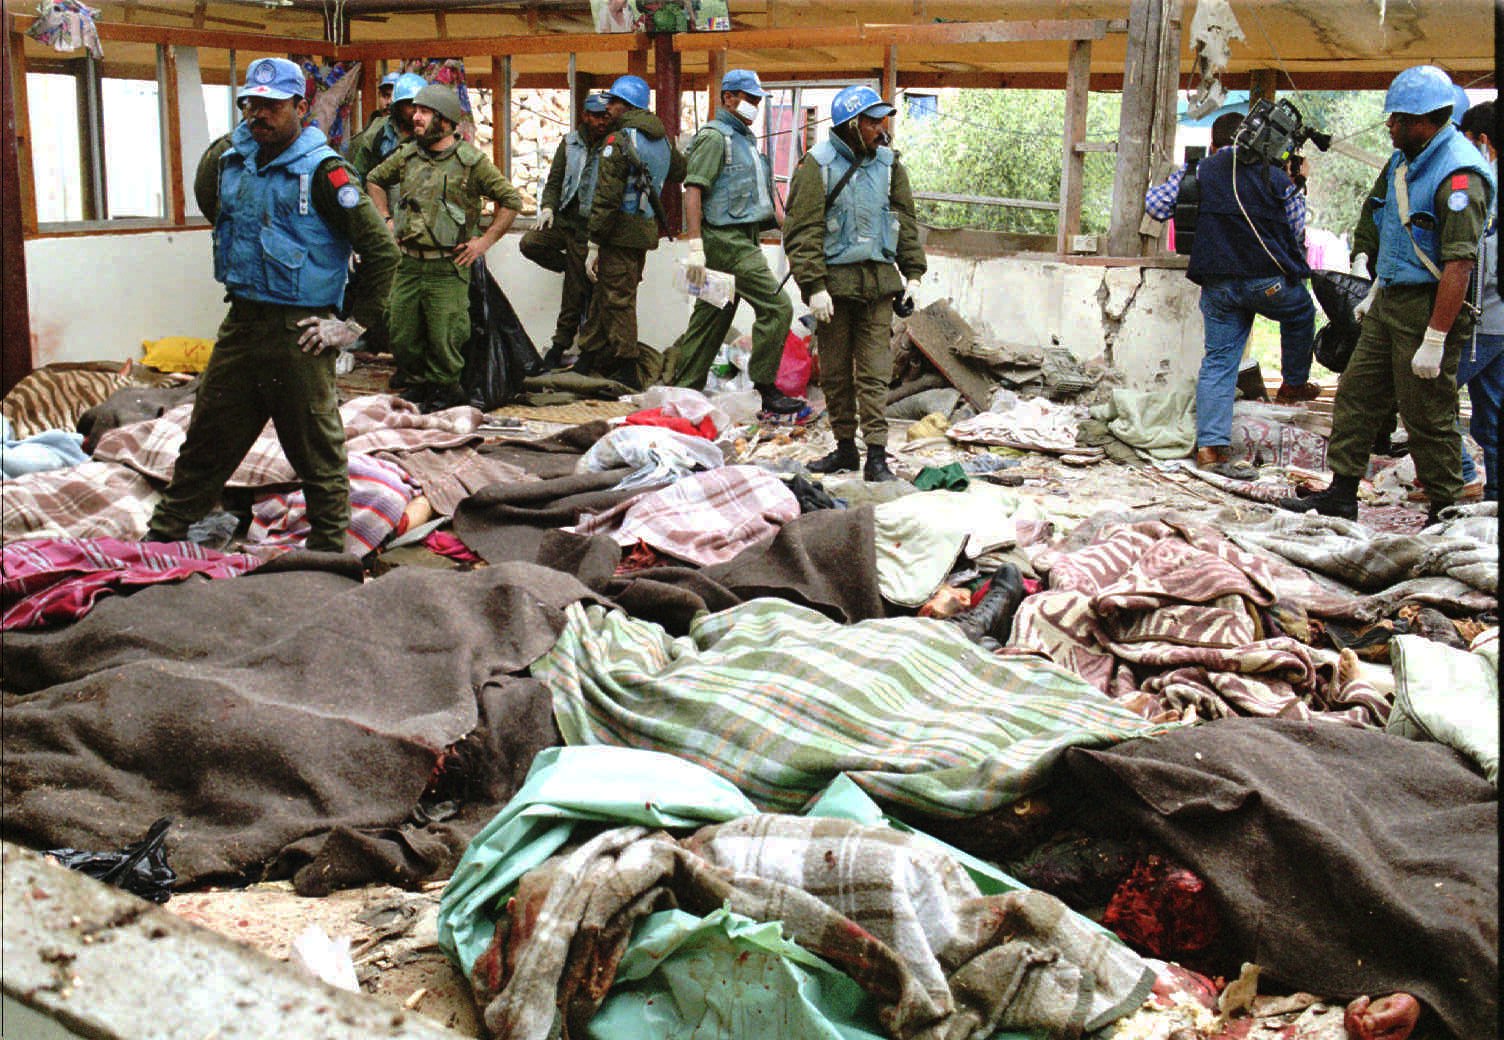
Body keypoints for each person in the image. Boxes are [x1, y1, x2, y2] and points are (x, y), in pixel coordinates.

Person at [145, 58, 398, 554]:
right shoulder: (231, 161)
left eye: (272, 105)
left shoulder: (326, 173)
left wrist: (351, 326)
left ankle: (328, 550)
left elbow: (383, 253)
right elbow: (214, 207)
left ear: (301, 107)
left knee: (314, 449)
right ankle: (162, 538)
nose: (258, 114)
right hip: (241, 323)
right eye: (250, 104)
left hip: (299, 332)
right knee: (205, 439)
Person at [1279, 66, 1495, 524]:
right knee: (1356, 394)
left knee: (1426, 413)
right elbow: (1382, 214)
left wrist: (1435, 338)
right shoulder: (1405, 160)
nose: (1389, 125)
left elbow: (1459, 263)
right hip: (1390, 299)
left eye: (1397, 118)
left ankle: (1445, 506)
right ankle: (1341, 492)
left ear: (1426, 120)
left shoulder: (1459, 176)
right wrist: (1367, 269)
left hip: (1431, 305)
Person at [1143, 109, 1318, 479]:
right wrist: (1295, 182)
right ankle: (1292, 383)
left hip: (1218, 286)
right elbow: (1298, 224)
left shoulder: (1204, 171)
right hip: (1265, 284)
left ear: (1213, 144)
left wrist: (1191, 183)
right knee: (1301, 309)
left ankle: (1210, 448)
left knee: (1219, 363)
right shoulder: (1274, 177)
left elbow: (1155, 206)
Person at [783, 84, 926, 482]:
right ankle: (845, 448)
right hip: (834, 286)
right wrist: (812, 286)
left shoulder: (890, 165)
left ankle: (877, 454)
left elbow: (903, 221)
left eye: (884, 120)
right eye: (872, 121)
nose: (882, 128)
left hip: (878, 284)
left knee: (875, 371)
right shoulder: (817, 165)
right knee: (834, 372)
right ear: (851, 125)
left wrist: (913, 272)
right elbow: (801, 231)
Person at [365, 84, 524, 412]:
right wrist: (387, 220)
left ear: (447, 122)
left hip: (447, 267)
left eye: (425, 112)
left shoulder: (470, 162)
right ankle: (421, 385)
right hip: (408, 263)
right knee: (401, 332)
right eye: (416, 111)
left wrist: (484, 242)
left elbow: (510, 200)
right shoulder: (408, 155)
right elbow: (374, 180)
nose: (416, 117)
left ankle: (446, 391)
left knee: (445, 335)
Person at [667, 68, 805, 416]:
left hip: (743, 237)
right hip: (726, 241)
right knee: (777, 307)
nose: (755, 106)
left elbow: (754, 197)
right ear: (728, 98)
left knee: (712, 316)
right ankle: (764, 387)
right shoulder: (716, 138)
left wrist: (788, 225)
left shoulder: (744, 139)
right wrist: (696, 245)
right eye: (749, 98)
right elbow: (693, 189)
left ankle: (684, 392)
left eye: (758, 100)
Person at [577, 74, 687, 390]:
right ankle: (587, 357)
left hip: (617, 233)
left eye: (613, 101)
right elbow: (680, 170)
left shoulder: (619, 141)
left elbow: (607, 196)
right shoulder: (660, 139)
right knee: (604, 296)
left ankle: (626, 368)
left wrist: (594, 242)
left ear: (627, 105)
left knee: (617, 299)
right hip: (641, 231)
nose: (607, 107)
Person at [519, 92, 612, 370]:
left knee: (574, 293)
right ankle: (572, 268)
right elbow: (555, 181)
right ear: (585, 115)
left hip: (589, 226)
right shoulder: (570, 143)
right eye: (596, 116)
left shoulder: (613, 144)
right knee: (530, 242)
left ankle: (560, 345)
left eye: (605, 116)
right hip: (565, 219)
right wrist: (547, 208)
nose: (600, 122)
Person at [1456, 99, 1501, 501]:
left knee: (1427, 398)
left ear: (1483, 141)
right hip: (1496, 320)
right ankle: (1495, 496)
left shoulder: (1485, 182)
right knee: (1491, 414)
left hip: (1485, 317)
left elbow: (1480, 257)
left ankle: (1465, 475)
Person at [347, 71, 425, 183]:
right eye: (411, 104)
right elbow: (357, 177)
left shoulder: (432, 133)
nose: (416, 111)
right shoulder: (377, 133)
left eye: (422, 107)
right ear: (398, 106)